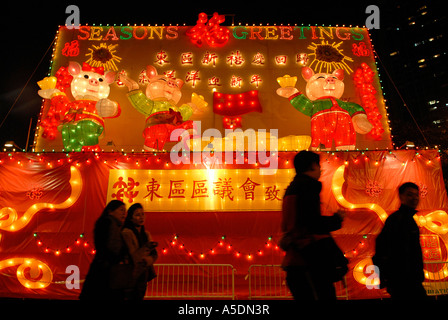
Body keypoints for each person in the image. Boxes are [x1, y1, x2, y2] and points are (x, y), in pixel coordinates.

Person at [280, 151, 347, 300]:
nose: (320, 170)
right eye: (318, 166)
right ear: (312, 166)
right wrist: (336, 220)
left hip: (296, 259)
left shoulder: (292, 188)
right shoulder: (307, 187)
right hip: (309, 261)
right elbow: (312, 223)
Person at [373, 182, 427, 300]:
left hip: (409, 279)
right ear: (401, 197)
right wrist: (384, 276)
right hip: (402, 280)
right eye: (410, 195)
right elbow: (382, 246)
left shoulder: (408, 219)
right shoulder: (397, 220)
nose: (414, 198)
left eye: (417, 195)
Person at [79, 200, 128, 300]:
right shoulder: (107, 222)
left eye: (125, 211)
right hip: (105, 271)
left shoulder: (116, 226)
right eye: (121, 210)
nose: (124, 213)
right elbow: (106, 246)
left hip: (106, 269)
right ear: (110, 211)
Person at [122, 203, 158, 300]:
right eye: (137, 215)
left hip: (143, 274)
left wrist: (148, 260)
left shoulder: (146, 234)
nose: (141, 217)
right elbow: (133, 256)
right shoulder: (126, 233)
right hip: (130, 275)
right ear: (130, 218)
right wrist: (146, 248)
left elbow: (154, 254)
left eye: (143, 214)